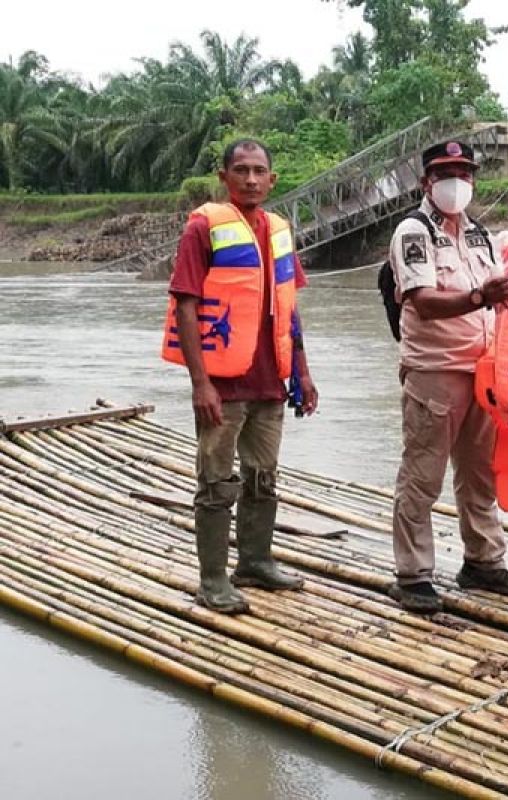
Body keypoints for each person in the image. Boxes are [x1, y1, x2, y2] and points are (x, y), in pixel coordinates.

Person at [162, 138, 317, 615]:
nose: (251, 179)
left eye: (259, 171)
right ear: (225, 177)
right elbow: (185, 304)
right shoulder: (204, 227)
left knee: (262, 477)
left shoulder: (280, 230)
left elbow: (289, 306)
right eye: (242, 170)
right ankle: (212, 580)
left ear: (273, 180)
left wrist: (303, 373)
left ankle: (254, 560)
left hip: (272, 382)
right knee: (215, 482)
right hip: (223, 384)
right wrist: (200, 382)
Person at [387, 139, 508, 614]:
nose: (457, 182)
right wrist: (478, 298)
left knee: (480, 473)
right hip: (435, 372)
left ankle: (483, 560)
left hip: (483, 371)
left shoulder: (480, 234)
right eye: (446, 173)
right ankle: (413, 574)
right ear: (426, 182)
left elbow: (503, 297)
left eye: (465, 173)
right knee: (422, 474)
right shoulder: (413, 232)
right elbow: (422, 302)